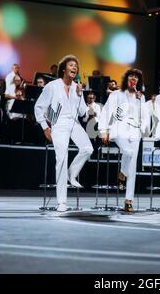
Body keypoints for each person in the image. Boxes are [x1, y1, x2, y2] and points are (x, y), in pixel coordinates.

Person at [35, 55, 93, 212]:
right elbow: (38, 107)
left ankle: (71, 173)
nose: (75, 68)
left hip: (74, 123)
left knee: (88, 149)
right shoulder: (52, 86)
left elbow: (82, 113)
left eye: (76, 66)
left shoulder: (77, 87)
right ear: (63, 69)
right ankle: (62, 202)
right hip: (58, 124)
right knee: (61, 158)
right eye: (72, 65)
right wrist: (44, 127)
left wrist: (81, 95)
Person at [98, 68, 149, 212]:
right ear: (126, 78)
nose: (134, 79)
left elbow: (144, 116)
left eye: (136, 77)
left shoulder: (141, 97)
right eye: (131, 76)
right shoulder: (116, 94)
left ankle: (128, 200)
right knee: (127, 152)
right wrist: (104, 130)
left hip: (135, 131)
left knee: (132, 167)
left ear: (139, 81)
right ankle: (122, 172)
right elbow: (106, 111)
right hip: (119, 129)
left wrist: (143, 129)